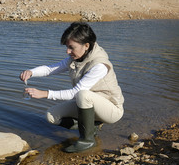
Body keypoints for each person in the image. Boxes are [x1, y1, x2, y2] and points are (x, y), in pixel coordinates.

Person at [20, 22, 124, 153]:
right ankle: (91, 128)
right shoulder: (76, 58)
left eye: (71, 47)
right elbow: (51, 69)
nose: (67, 51)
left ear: (86, 45)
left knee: (82, 94)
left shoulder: (99, 65)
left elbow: (75, 93)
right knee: (51, 116)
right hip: (89, 104)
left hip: (111, 109)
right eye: (67, 47)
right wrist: (31, 72)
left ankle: (87, 140)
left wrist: (45, 93)